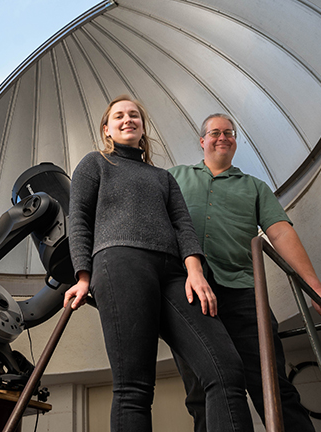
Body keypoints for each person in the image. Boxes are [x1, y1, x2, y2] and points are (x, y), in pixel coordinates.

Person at [64, 96, 254, 432]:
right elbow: (77, 217)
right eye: (119, 116)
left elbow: (182, 224)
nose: (128, 119)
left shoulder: (163, 177)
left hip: (173, 274)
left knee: (226, 369)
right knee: (134, 387)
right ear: (106, 129)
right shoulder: (94, 164)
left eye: (134, 114)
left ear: (142, 126)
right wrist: (82, 275)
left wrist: (195, 272)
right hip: (121, 263)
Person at [169, 113, 321, 432]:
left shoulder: (255, 187)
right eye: (215, 132)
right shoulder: (175, 177)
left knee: (273, 387)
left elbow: (280, 234)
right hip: (190, 296)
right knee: (202, 393)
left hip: (244, 295)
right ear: (202, 141)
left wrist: (314, 288)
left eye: (229, 132)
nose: (223, 137)